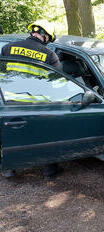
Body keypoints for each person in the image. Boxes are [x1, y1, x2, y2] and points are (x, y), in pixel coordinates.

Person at [1, 20, 62, 179]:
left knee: (12, 135)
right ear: (46, 36)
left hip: (9, 102)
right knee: (44, 136)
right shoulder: (49, 55)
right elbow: (59, 83)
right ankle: (49, 171)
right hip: (36, 104)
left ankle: (9, 169)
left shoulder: (7, 48)